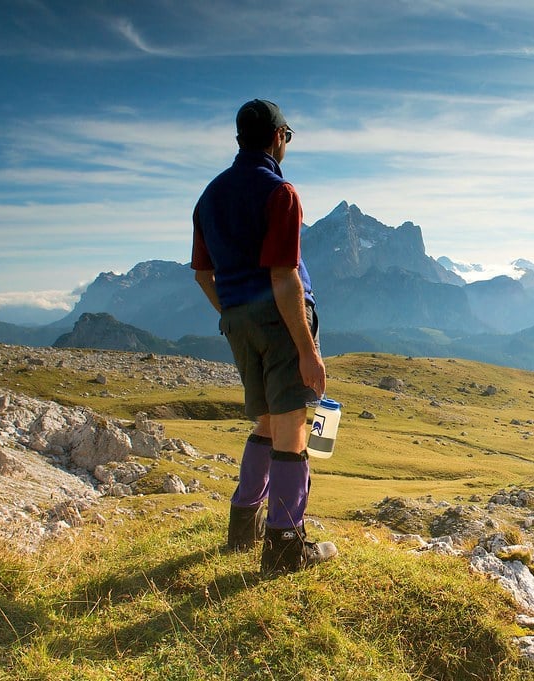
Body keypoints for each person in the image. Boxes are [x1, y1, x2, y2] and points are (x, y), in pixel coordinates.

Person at [191, 98, 336, 575]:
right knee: (293, 425)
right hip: (281, 320)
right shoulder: (281, 193)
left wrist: (233, 313)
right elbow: (284, 275)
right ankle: (284, 548)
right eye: (288, 136)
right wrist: (308, 351)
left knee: (267, 420)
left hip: (237, 320)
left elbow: (203, 275)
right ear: (278, 138)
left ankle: (243, 527)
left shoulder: (209, 197)